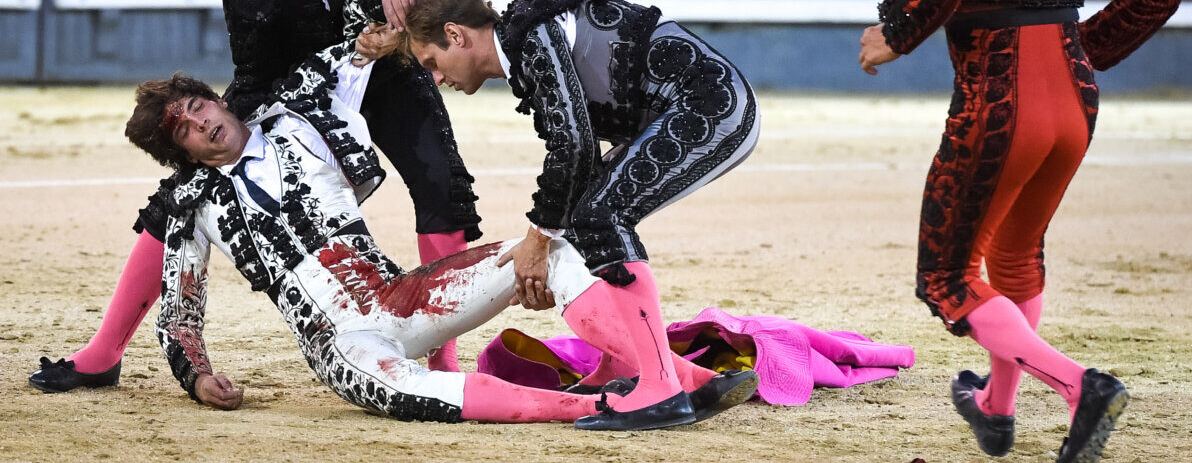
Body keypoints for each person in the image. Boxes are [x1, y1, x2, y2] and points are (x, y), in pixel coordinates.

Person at [123, 41, 759, 430]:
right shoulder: (189, 207)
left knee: (551, 252)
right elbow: (181, 309)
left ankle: (671, 380)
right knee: (410, 392)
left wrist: (391, 4)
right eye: (183, 129)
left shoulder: (299, 116)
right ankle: (597, 408)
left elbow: (359, 46)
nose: (201, 123)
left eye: (198, 106)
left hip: (404, 295)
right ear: (179, 152)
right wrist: (197, 376)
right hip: (339, 345)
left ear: (215, 100)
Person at [29, 0, 480, 394]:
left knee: (440, 188)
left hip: (392, 73)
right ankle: (103, 352)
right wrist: (327, 67)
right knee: (183, 194)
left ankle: (443, 360)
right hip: (290, 81)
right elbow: (256, 68)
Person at [857, 0, 1179, 463]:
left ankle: (1077, 386)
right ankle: (997, 410)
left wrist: (892, 36)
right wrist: (1079, 56)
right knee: (1014, 255)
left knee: (945, 278)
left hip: (1000, 104)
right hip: (1074, 102)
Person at [343, 0, 762, 418]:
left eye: (432, 61)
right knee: (586, 219)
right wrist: (546, 242)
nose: (437, 76)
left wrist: (537, 242)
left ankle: (661, 390)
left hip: (708, 106)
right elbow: (576, 157)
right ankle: (619, 365)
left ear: (455, 35)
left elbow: (575, 145)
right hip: (686, 109)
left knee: (601, 218)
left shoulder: (530, 36)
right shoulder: (526, 38)